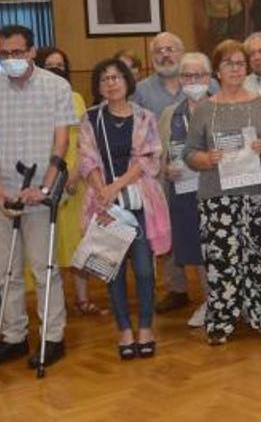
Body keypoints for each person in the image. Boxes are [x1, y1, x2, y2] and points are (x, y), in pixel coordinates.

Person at [0, 24, 76, 369]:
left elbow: (61, 142)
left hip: (39, 191)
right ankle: (14, 336)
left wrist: (45, 187)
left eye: (18, 53)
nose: (11, 59)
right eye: (4, 54)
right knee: (5, 271)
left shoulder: (56, 86)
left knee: (43, 266)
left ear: (32, 51)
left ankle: (53, 336)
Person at [183, 40, 261, 344]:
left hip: (259, 194)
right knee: (222, 261)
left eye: (240, 63)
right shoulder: (204, 108)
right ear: (217, 69)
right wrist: (205, 159)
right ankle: (222, 322)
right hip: (217, 197)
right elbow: (189, 153)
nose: (235, 69)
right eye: (228, 63)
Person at [79, 58, 171, 360]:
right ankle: (124, 330)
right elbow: (87, 159)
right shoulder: (91, 119)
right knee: (112, 269)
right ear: (98, 86)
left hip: (138, 200)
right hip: (103, 202)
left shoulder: (145, 117)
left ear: (127, 81)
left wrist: (115, 187)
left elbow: (148, 159)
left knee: (144, 269)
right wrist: (102, 191)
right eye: (104, 78)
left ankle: (145, 326)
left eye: (116, 77)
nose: (111, 83)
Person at [33, 47, 103, 318]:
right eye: (49, 65)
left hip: (75, 180)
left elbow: (84, 140)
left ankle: (83, 299)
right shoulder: (33, 101)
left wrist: (74, 175)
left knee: (78, 244)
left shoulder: (75, 98)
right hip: (46, 179)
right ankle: (55, 302)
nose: (56, 69)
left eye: (60, 64)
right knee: (51, 243)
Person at [133, 33, 198, 317]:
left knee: (200, 224)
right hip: (159, 171)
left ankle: (213, 286)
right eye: (159, 51)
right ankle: (177, 288)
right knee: (167, 225)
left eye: (171, 49)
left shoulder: (200, 83)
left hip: (200, 168)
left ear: (182, 52)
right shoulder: (141, 90)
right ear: (152, 57)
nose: (165, 55)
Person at [159, 53, 214, 329]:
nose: (194, 81)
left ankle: (230, 299)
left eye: (199, 75)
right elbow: (161, 154)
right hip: (185, 190)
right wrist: (166, 169)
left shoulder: (221, 106)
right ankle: (210, 300)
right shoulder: (170, 114)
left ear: (209, 77)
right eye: (188, 76)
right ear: (180, 80)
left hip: (219, 189)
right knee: (198, 250)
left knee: (221, 247)